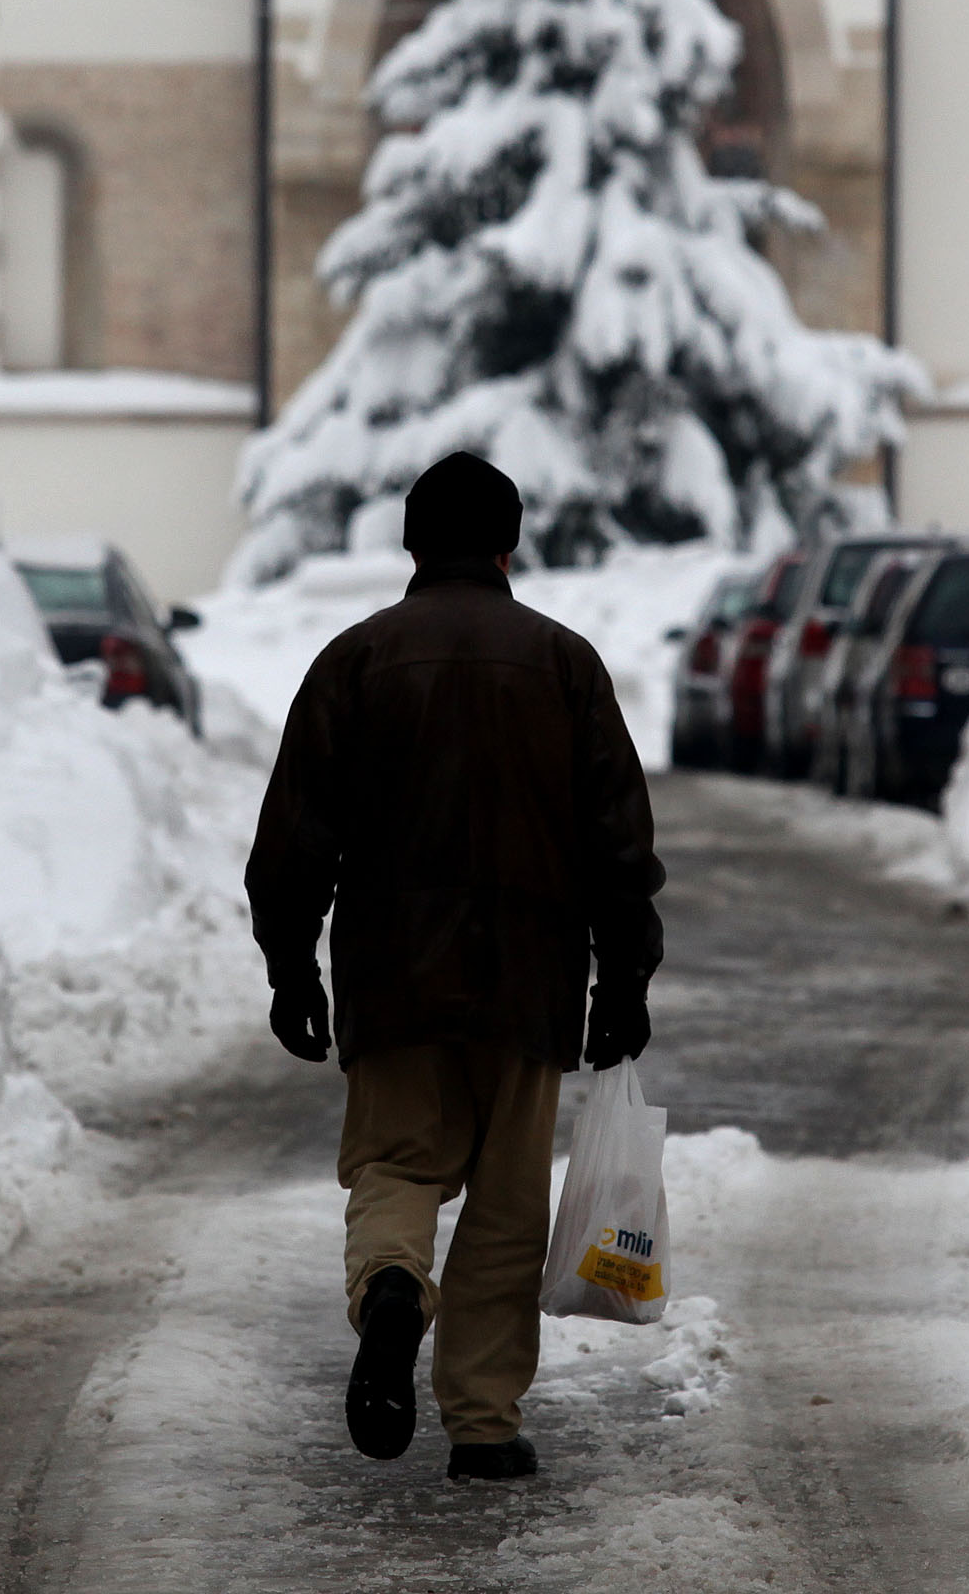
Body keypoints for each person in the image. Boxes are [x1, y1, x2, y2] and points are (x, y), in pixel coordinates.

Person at [246, 452, 665, 1484]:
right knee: (508, 1202)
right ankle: (482, 1421)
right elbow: (618, 841)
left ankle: (393, 1286)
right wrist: (624, 976)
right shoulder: (564, 663)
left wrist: (291, 964)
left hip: (393, 973)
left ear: (411, 543)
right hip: (531, 975)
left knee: (395, 1162)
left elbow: (295, 835)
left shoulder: (356, 659)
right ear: (509, 544)